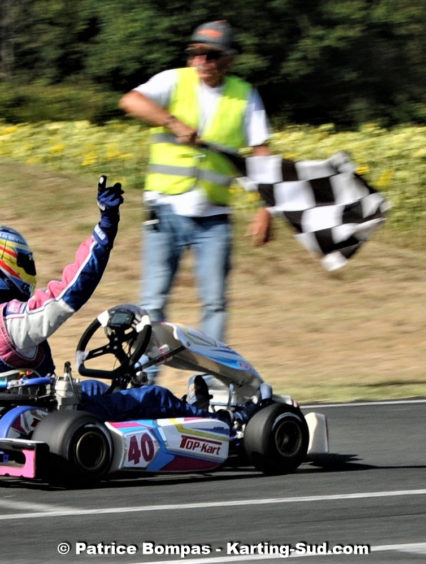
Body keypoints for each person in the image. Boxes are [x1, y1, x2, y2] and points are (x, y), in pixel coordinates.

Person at [119, 20, 272, 372]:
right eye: (196, 52)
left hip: (214, 218)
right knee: (153, 303)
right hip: (165, 211)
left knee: (215, 305)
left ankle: (212, 384)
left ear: (229, 59)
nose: (202, 59)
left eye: (212, 54)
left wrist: (266, 207)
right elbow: (130, 100)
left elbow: (261, 152)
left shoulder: (244, 95)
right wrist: (173, 123)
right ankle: (143, 384)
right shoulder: (173, 81)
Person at [0, 176, 218, 422]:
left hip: (27, 410)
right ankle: (223, 427)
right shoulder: (12, 322)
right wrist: (105, 229)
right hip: (41, 416)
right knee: (155, 397)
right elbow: (70, 290)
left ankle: (191, 410)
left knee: (94, 387)